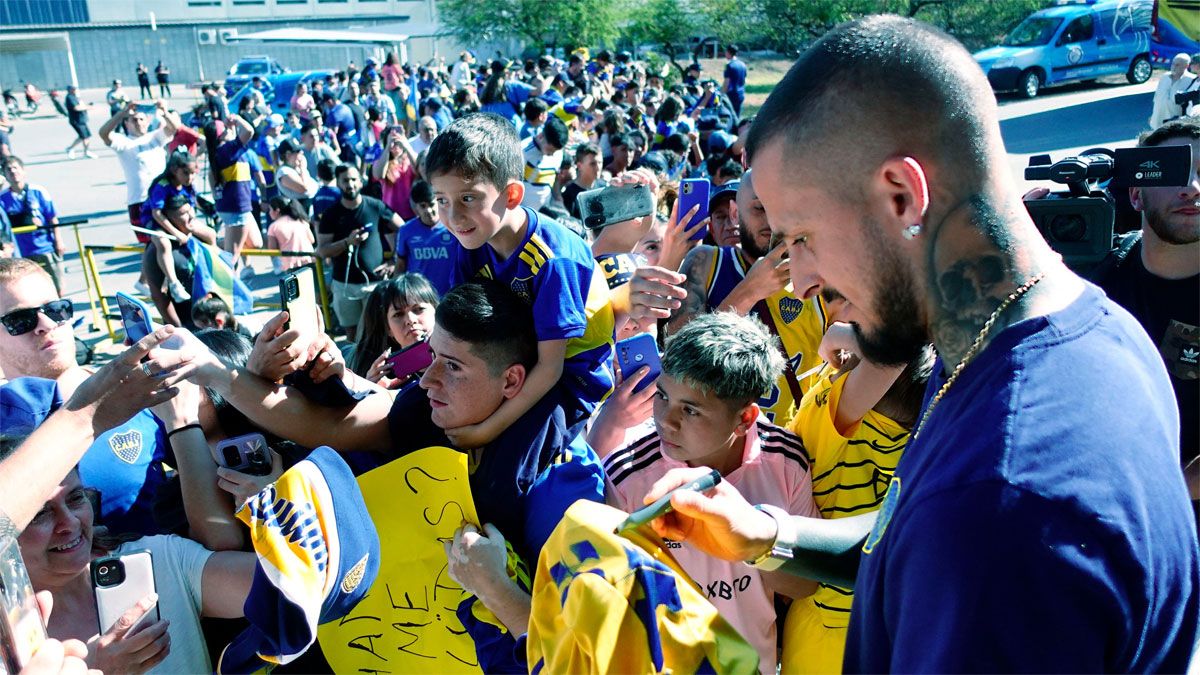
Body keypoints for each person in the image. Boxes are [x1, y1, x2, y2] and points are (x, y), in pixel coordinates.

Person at [642, 16, 1199, 672]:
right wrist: (769, 534)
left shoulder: (996, 507)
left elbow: (954, 530)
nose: (803, 277)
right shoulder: (1092, 330)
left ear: (902, 196)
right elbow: (903, 540)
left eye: (801, 236)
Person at [163, 281, 605, 671]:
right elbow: (322, 426)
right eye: (432, 356)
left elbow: (582, 655)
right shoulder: (423, 410)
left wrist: (498, 589)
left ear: (511, 381)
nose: (428, 380)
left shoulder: (564, 483)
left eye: (453, 367)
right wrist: (213, 372)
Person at [604, 312, 819, 672]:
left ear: (746, 418)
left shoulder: (785, 460)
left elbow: (804, 585)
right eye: (662, 396)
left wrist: (752, 541)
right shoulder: (628, 476)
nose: (665, 420)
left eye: (690, 410)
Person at [427, 113, 615, 447]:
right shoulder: (470, 239)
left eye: (468, 198)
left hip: (570, 376)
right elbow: (460, 330)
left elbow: (550, 369)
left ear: (512, 195)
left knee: (508, 472)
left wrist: (485, 430)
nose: (453, 216)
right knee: (417, 416)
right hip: (511, 360)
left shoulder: (555, 260)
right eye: (442, 199)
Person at [0, 258, 179, 536]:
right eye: (20, 320)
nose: (46, 324)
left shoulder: (133, 389)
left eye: (55, 309)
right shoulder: (5, 422)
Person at [1094, 117, 1199, 502]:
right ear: (1136, 195)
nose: (1191, 188)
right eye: (1173, 171)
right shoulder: (1095, 279)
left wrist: (1163, 494)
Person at [315, 164, 404, 341]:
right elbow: (322, 251)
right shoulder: (331, 214)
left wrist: (394, 260)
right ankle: (356, 367)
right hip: (344, 285)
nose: (350, 184)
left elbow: (404, 229)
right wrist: (347, 242)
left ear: (361, 182)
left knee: (378, 333)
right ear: (338, 183)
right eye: (345, 180)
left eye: (354, 179)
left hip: (374, 284)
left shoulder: (375, 206)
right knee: (352, 335)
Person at [348, 273, 438, 388]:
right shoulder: (385, 379)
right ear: (388, 329)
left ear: (437, 312)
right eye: (398, 314)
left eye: (419, 309)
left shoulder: (458, 354)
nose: (410, 320)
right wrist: (372, 391)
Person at [0, 157, 65, 294]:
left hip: (45, 246)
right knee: (31, 290)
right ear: (5, 175)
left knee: (57, 286)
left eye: (15, 167)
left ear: (23, 171)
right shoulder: (3, 198)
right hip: (22, 251)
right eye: (9, 169)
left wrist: (59, 240)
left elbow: (52, 216)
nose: (13, 171)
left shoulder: (38, 191)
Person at [204, 115, 259, 273]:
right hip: (236, 209)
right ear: (221, 135)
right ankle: (229, 291)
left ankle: (218, 243)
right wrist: (238, 118)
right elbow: (249, 131)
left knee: (255, 243)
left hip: (236, 207)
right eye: (226, 127)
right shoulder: (227, 151)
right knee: (231, 259)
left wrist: (231, 127)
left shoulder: (222, 151)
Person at [393, 180, 454, 296]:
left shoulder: (453, 227)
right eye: (423, 206)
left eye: (431, 204)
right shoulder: (406, 231)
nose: (428, 210)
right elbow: (400, 265)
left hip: (450, 295)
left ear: (438, 201)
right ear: (416, 207)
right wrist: (396, 293)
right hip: (419, 297)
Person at [520, 114, 569, 210]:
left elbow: (553, 178)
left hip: (544, 211)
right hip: (522, 212)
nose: (552, 154)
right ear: (541, 136)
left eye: (555, 151)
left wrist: (558, 198)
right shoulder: (522, 151)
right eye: (549, 150)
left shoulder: (558, 153)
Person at [371, 125, 418, 221]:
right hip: (391, 214)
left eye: (398, 142)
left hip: (412, 212)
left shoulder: (409, 158)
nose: (395, 144)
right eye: (393, 141)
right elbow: (378, 174)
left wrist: (405, 143)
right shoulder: (382, 160)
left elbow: (419, 169)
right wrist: (388, 146)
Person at [265, 195, 315, 272]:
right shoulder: (301, 220)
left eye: (270, 209)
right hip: (311, 260)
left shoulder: (274, 227)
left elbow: (272, 249)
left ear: (277, 211)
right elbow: (312, 240)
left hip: (291, 265)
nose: (269, 212)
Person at [1150, 54, 1196, 128]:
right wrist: (1153, 116)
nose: (1173, 67)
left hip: (1174, 126)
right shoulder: (1165, 77)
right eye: (1173, 63)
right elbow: (1157, 97)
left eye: (1177, 65)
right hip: (1157, 121)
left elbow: (1191, 105)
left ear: (1186, 66)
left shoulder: (1191, 80)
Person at [274, 138, 318, 211]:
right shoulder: (284, 172)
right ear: (288, 155)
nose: (302, 153)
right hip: (299, 210)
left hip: (310, 206)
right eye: (298, 151)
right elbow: (303, 188)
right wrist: (303, 168)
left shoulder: (296, 168)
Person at [561, 142, 602, 219]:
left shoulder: (603, 186)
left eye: (600, 162)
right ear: (579, 166)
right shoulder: (569, 195)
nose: (598, 168)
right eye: (593, 164)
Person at [62, 86, 94, 160]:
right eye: (73, 89)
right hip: (76, 120)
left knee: (85, 136)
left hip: (82, 120)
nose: (75, 90)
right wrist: (87, 107)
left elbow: (81, 105)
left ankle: (74, 149)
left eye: (75, 89)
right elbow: (76, 108)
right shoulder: (69, 98)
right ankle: (84, 151)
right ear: (69, 90)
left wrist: (87, 105)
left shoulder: (75, 97)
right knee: (84, 137)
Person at [723, 45, 748, 117]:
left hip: (731, 94)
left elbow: (726, 82)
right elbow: (744, 80)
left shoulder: (729, 65)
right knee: (737, 115)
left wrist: (722, 94)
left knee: (730, 116)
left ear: (728, 52)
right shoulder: (742, 64)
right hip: (741, 93)